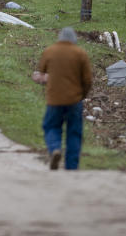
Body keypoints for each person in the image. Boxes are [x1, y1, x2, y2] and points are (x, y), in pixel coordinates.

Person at [31, 27, 93, 170]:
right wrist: (82, 95)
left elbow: (42, 72)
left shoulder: (50, 51)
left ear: (60, 38)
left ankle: (54, 149)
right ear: (74, 39)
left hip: (54, 99)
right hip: (74, 100)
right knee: (74, 132)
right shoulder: (81, 53)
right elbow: (88, 80)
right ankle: (71, 167)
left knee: (51, 126)